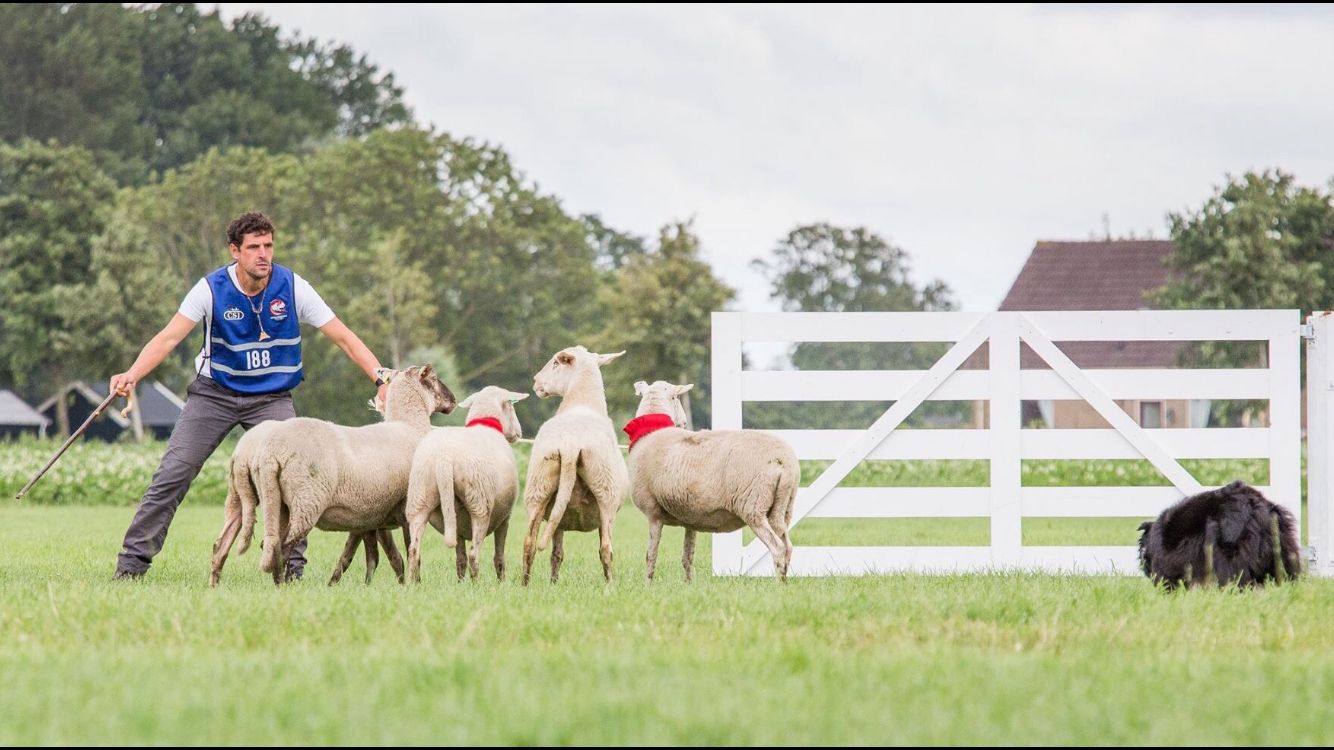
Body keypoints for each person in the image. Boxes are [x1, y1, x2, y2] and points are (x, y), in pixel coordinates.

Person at [110, 211, 389, 580]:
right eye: (254, 247)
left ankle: (290, 568)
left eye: (268, 246)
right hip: (214, 394)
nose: (263, 254)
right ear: (235, 251)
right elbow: (168, 338)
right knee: (173, 473)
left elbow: (344, 337)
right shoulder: (210, 289)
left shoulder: (293, 287)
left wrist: (381, 378)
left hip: (271, 397)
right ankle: (131, 567)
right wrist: (132, 374)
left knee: (297, 476)